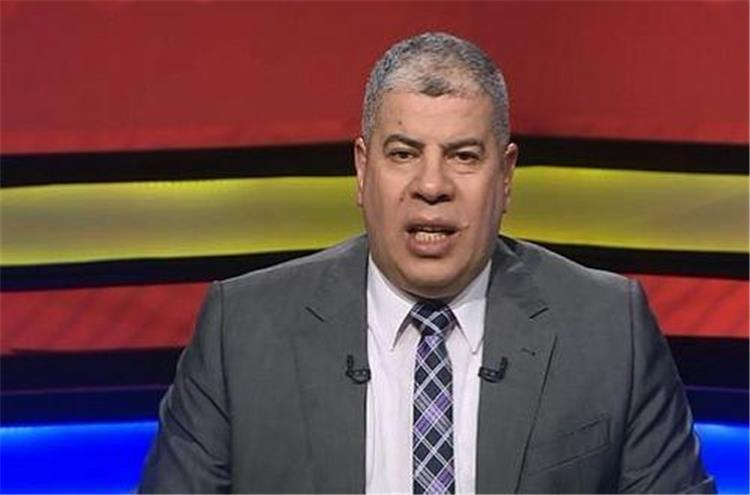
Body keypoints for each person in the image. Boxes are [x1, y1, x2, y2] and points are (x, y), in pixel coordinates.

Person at [139, 32, 714, 494]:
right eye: (403, 154)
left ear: (505, 177)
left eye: (463, 156)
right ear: (363, 170)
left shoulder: (607, 327)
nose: (432, 185)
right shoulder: (242, 329)